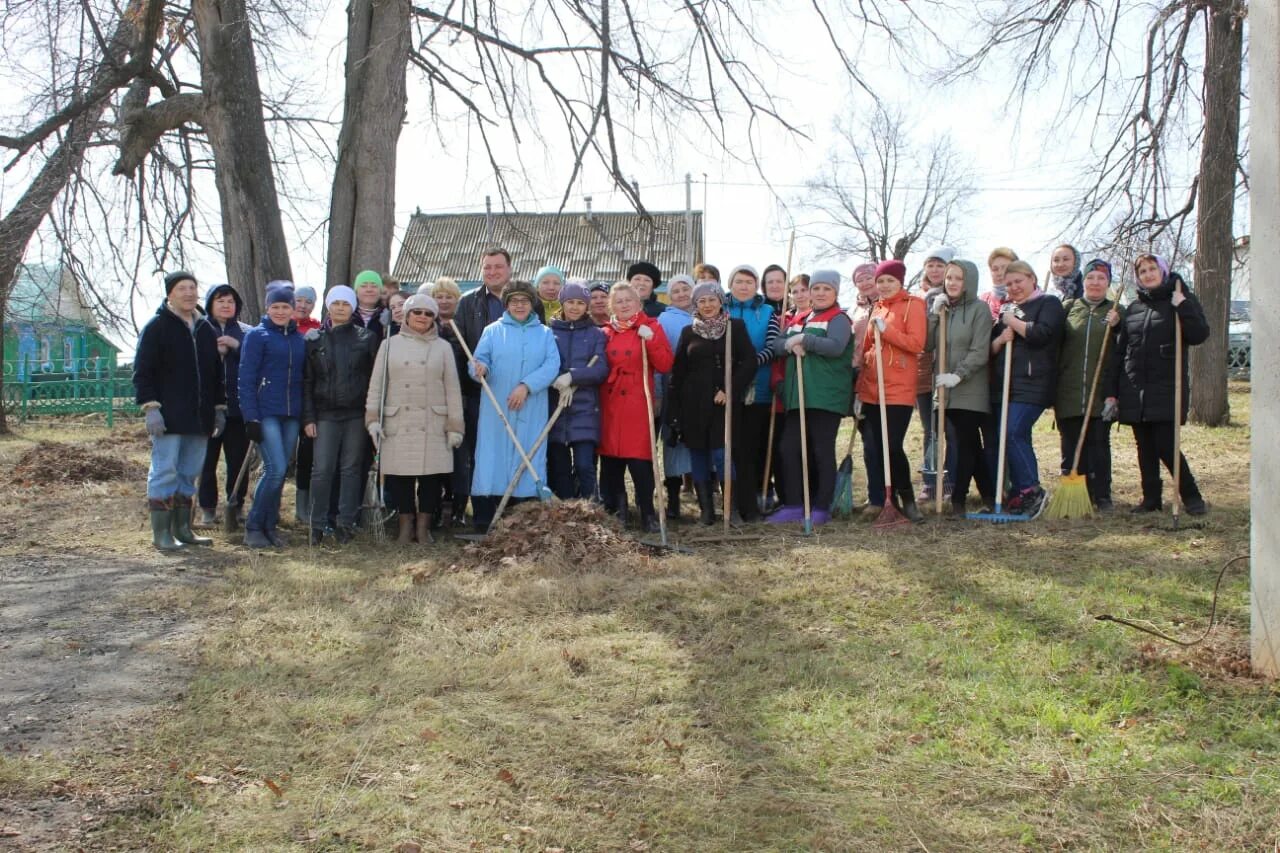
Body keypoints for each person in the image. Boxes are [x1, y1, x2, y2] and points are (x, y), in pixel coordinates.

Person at [1105, 254, 1210, 515]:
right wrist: (1113, 393)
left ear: (1162, 271)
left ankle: (1192, 496)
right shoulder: (1134, 308)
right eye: (1142, 271)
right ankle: (1150, 498)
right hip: (1134, 386)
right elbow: (1121, 352)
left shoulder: (1178, 299)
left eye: (1152, 269)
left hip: (1166, 387)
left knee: (1166, 445)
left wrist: (1183, 306)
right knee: (1145, 446)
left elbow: (1199, 335)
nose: (1148, 274)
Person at [134, 271, 226, 551]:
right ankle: (161, 534)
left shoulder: (205, 329)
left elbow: (216, 374)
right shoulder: (157, 327)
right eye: (182, 288)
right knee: (165, 471)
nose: (188, 293)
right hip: (169, 417)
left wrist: (219, 408)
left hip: (199, 417)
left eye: (192, 288)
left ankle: (183, 529)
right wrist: (151, 408)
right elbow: (143, 371)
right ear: (170, 294)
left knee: (188, 473)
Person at [366, 293, 464, 543]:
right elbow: (377, 385)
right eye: (417, 312)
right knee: (400, 477)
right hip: (399, 420)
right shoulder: (389, 344)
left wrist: (455, 426)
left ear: (434, 318)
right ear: (407, 316)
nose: (422, 317)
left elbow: (452, 388)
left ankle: (424, 526)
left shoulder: (442, 347)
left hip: (432, 422)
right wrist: (373, 419)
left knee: (431, 477)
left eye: (428, 313)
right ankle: (405, 524)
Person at [467, 281, 560, 531]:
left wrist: (526, 386)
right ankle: (485, 519)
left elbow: (552, 366)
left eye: (525, 301)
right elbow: (479, 361)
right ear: (506, 304)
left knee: (527, 454)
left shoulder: (545, 333)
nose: (519, 305)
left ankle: (524, 518)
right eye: (514, 301)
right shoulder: (492, 331)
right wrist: (480, 369)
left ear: (532, 304)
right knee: (491, 457)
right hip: (497, 407)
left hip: (530, 407)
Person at [768, 269, 855, 525]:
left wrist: (804, 340)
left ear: (835, 292)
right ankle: (794, 504)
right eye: (816, 288)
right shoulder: (799, 318)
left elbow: (836, 346)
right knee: (788, 448)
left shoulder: (839, 318)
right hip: (799, 397)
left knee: (821, 450)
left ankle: (821, 506)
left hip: (826, 396)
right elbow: (776, 345)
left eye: (826, 289)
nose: (819, 293)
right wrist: (789, 343)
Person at [666, 282, 753, 525]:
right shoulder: (688, 332)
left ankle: (731, 509)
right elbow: (678, 373)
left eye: (711, 300)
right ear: (695, 304)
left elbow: (749, 363)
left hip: (722, 405)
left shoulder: (734, 327)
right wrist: (674, 410)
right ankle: (706, 511)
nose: (707, 305)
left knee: (722, 454)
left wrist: (729, 389)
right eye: (701, 301)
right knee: (698, 456)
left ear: (720, 301)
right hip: (692, 405)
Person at [988, 260, 1065, 518]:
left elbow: (1043, 334)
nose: (1014, 287)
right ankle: (1021, 493)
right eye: (1009, 284)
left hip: (1034, 383)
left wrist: (1015, 323)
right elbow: (993, 347)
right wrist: (1002, 336)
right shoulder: (1007, 308)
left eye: (1018, 281)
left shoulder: (1049, 304)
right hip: (1006, 384)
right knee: (1009, 437)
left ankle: (1033, 490)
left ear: (1032, 278)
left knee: (1013, 432)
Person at [302, 285, 377, 545]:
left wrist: (372, 415)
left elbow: (373, 380)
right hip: (325, 415)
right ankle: (317, 524)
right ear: (328, 307)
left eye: (346, 304)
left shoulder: (366, 338)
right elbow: (308, 381)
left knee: (350, 469)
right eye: (336, 303)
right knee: (322, 470)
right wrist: (309, 418)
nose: (341, 308)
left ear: (353, 307)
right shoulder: (315, 340)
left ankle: (346, 523)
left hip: (356, 415)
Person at [855, 260, 927, 522]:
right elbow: (867, 353)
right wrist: (858, 390)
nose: (884, 285)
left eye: (889, 281)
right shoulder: (877, 308)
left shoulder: (914, 306)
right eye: (881, 281)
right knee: (876, 446)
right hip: (872, 389)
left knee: (892, 445)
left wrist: (889, 332)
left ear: (900, 281)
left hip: (898, 388)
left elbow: (917, 344)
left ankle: (908, 499)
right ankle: (889, 501)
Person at [599, 282, 674, 532]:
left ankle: (647, 512)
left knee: (640, 461)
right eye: (618, 301)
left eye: (628, 300)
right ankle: (619, 510)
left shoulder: (652, 327)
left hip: (637, 402)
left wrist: (651, 340)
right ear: (612, 306)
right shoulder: (606, 332)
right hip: (610, 402)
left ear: (638, 302)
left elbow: (664, 364)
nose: (623, 304)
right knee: (611, 461)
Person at [238, 282, 306, 548]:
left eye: (285, 306)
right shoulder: (257, 336)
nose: (280, 311)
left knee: (280, 470)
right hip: (266, 412)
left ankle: (269, 527)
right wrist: (250, 417)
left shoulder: (299, 339)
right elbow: (246, 378)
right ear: (267, 308)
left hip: (291, 414)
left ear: (293, 309)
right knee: (275, 469)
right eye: (275, 307)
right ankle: (254, 526)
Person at [926, 260, 994, 514]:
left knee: (964, 446)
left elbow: (980, 351)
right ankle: (988, 495)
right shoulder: (943, 310)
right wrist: (934, 314)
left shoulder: (979, 310)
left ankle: (958, 500)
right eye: (949, 278)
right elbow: (926, 345)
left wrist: (958, 375)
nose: (952, 283)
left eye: (958, 278)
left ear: (969, 282)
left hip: (968, 390)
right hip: (944, 391)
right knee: (970, 447)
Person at [1055, 259, 1120, 511]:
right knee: (1070, 445)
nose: (1095, 282)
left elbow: (1123, 351)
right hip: (1069, 392)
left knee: (1099, 446)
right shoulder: (1069, 308)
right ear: (1083, 281)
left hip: (1100, 392)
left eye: (1101, 278)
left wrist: (1118, 326)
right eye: (1091, 277)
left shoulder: (1116, 311)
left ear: (1108, 283)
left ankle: (1101, 495)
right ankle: (1073, 496)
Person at [725, 264, 779, 522]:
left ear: (756, 285)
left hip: (758, 389)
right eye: (739, 281)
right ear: (730, 283)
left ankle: (751, 505)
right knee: (730, 448)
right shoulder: (721, 309)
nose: (744, 286)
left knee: (750, 450)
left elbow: (772, 347)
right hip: (726, 390)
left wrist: (747, 367)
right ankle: (731, 504)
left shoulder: (767, 311)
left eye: (749, 282)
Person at [547, 282, 609, 500]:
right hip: (556, 409)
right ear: (562, 303)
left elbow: (601, 369)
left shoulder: (596, 334)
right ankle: (567, 513)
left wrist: (573, 376)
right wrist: (557, 380)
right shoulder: (549, 332)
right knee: (560, 469)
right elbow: (544, 365)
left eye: (580, 303)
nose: (575, 307)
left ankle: (592, 508)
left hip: (584, 409)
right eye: (570, 302)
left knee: (585, 465)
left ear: (587, 306)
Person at [198, 284, 251, 527]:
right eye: (220, 301)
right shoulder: (199, 329)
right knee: (207, 462)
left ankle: (236, 506)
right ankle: (207, 509)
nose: (226, 305)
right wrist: (214, 351)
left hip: (238, 410)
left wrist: (236, 347)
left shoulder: (246, 332)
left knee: (238, 461)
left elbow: (254, 363)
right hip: (208, 410)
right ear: (210, 304)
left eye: (230, 301)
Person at [431, 276, 471, 527]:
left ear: (457, 300)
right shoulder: (426, 324)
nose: (444, 302)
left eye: (449, 297)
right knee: (436, 456)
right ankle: (434, 507)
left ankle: (458, 506)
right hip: (434, 401)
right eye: (439, 296)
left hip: (462, 399)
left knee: (461, 457)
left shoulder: (463, 326)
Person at [915, 247, 955, 501]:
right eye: (931, 265)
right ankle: (930, 480)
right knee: (930, 429)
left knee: (949, 428)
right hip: (924, 372)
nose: (935, 270)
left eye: (940, 265)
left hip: (948, 372)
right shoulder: (918, 299)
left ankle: (949, 481)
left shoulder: (957, 294)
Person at [656, 274, 695, 519]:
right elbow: (660, 361)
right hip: (674, 389)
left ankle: (706, 498)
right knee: (673, 444)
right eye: (676, 291)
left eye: (686, 289)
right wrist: (660, 393)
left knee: (699, 445)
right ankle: (673, 500)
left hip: (701, 392)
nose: (681, 294)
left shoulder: (705, 314)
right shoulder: (664, 320)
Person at [848, 262, 880, 508]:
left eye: (870, 277)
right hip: (857, 377)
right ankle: (875, 495)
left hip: (882, 376)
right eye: (860, 279)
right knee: (868, 438)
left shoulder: (887, 305)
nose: (866, 282)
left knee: (879, 439)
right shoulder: (852, 311)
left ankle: (884, 495)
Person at [981, 247, 1018, 320]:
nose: (1000, 273)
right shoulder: (983, 301)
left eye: (1005, 268)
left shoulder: (1025, 299)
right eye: (995, 269)